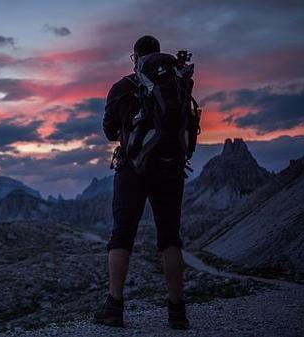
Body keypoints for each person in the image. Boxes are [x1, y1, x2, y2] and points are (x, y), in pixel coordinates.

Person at [93, 35, 190, 330]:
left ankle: (114, 307)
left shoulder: (122, 87)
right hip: (171, 167)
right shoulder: (177, 82)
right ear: (159, 54)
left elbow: (110, 132)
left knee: (122, 235)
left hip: (132, 169)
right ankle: (177, 312)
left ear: (135, 58)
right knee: (170, 238)